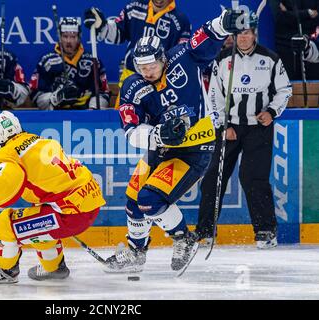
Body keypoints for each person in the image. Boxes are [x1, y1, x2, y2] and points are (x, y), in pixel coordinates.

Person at [104, 9, 244, 274]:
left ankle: (184, 239)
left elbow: (207, 34)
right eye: (141, 67)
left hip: (193, 149)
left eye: (152, 66)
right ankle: (136, 252)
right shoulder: (133, 86)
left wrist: (225, 23)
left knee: (149, 200)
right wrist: (156, 135)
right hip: (161, 148)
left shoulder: (183, 58)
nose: (147, 72)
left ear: (162, 58)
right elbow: (131, 129)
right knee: (134, 199)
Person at [0, 111, 106, 284]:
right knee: (37, 221)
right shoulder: (42, 141)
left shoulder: (8, 154)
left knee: (4, 224)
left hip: (69, 214)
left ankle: (6, 271)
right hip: (89, 200)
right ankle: (54, 268)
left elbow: (6, 182)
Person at [195, 12, 292, 249]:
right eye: (238, 34)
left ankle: (266, 231)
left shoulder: (270, 59)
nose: (242, 38)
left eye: (246, 33)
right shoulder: (222, 59)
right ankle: (205, 232)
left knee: (253, 179)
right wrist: (222, 124)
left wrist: (271, 111)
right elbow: (214, 96)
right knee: (212, 180)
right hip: (230, 129)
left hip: (258, 128)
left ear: (254, 34)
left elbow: (284, 90)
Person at [83, 0, 191, 108]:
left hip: (161, 81)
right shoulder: (134, 8)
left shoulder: (181, 20)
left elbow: (180, 55)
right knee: (124, 118)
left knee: (154, 121)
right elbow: (118, 34)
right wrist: (102, 26)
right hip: (131, 76)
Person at [30, 17, 110, 110]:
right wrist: (55, 98)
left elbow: (103, 92)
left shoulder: (93, 62)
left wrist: (92, 109)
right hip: (55, 115)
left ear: (79, 37)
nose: (68, 41)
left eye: (73, 36)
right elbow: (35, 95)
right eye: (65, 36)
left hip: (85, 115)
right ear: (59, 37)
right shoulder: (46, 61)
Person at [270, 0, 319, 80]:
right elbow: (279, 17)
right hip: (285, 47)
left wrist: (289, 13)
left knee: (313, 86)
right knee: (286, 87)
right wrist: (308, 13)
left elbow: (317, 18)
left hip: (312, 46)